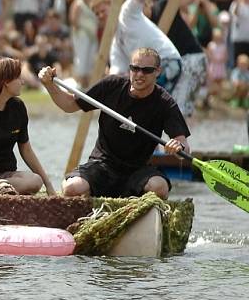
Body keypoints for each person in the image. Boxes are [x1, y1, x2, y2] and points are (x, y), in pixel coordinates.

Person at [38, 47, 190, 199]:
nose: (139, 74)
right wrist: (49, 85)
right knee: (73, 188)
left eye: (146, 70)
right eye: (135, 68)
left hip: (138, 170)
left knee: (160, 188)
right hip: (102, 164)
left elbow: (184, 147)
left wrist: (178, 147)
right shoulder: (112, 85)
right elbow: (69, 105)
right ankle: (69, 188)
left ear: (157, 71)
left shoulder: (165, 102)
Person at [95, 0, 183, 104]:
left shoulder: (127, 11)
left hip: (167, 61)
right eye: (97, 14)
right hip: (148, 70)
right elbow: (116, 71)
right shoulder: (116, 41)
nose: (101, 15)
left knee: (143, 100)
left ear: (112, 6)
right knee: (137, 101)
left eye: (103, 10)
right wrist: (104, 89)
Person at [0, 57, 55, 195]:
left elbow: (26, 149)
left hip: (7, 175)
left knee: (35, 181)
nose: (23, 82)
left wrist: (48, 184)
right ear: (6, 82)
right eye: (19, 78)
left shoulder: (18, 107)